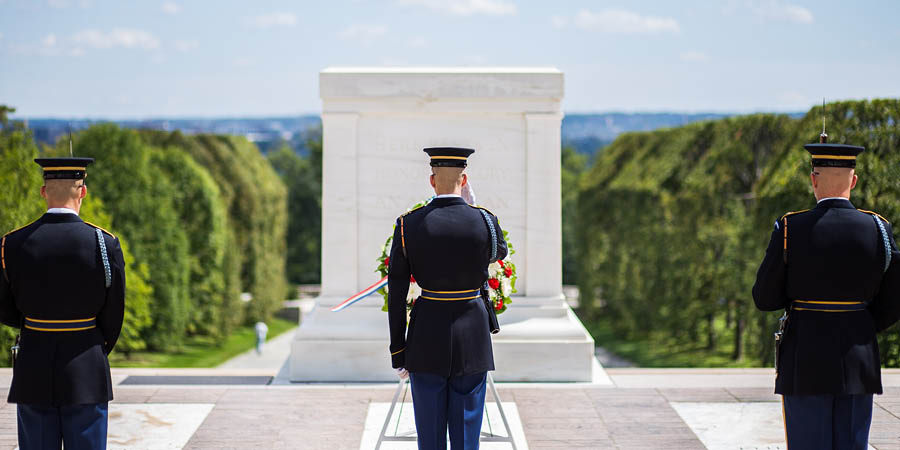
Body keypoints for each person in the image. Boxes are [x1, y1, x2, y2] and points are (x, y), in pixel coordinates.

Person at [752, 134, 900, 450]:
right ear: (854, 180)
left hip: (804, 358)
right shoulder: (878, 228)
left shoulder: (790, 227)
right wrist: (861, 322)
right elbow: (895, 297)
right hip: (858, 359)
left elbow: (764, 297)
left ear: (813, 180)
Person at [0, 157, 126, 450]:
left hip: (33, 365)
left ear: (43, 191)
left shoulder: (12, 243)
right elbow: (114, 311)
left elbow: (3, 306)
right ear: (83, 192)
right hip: (86, 366)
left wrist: (33, 324)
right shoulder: (104, 244)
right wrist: (95, 346)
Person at [387, 147, 507, 450]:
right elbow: (499, 253)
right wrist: (473, 210)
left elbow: (398, 291)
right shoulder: (486, 221)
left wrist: (398, 350)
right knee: (467, 437)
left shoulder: (407, 225)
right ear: (464, 179)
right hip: (473, 336)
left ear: (431, 181)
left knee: (429, 435)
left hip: (427, 335)